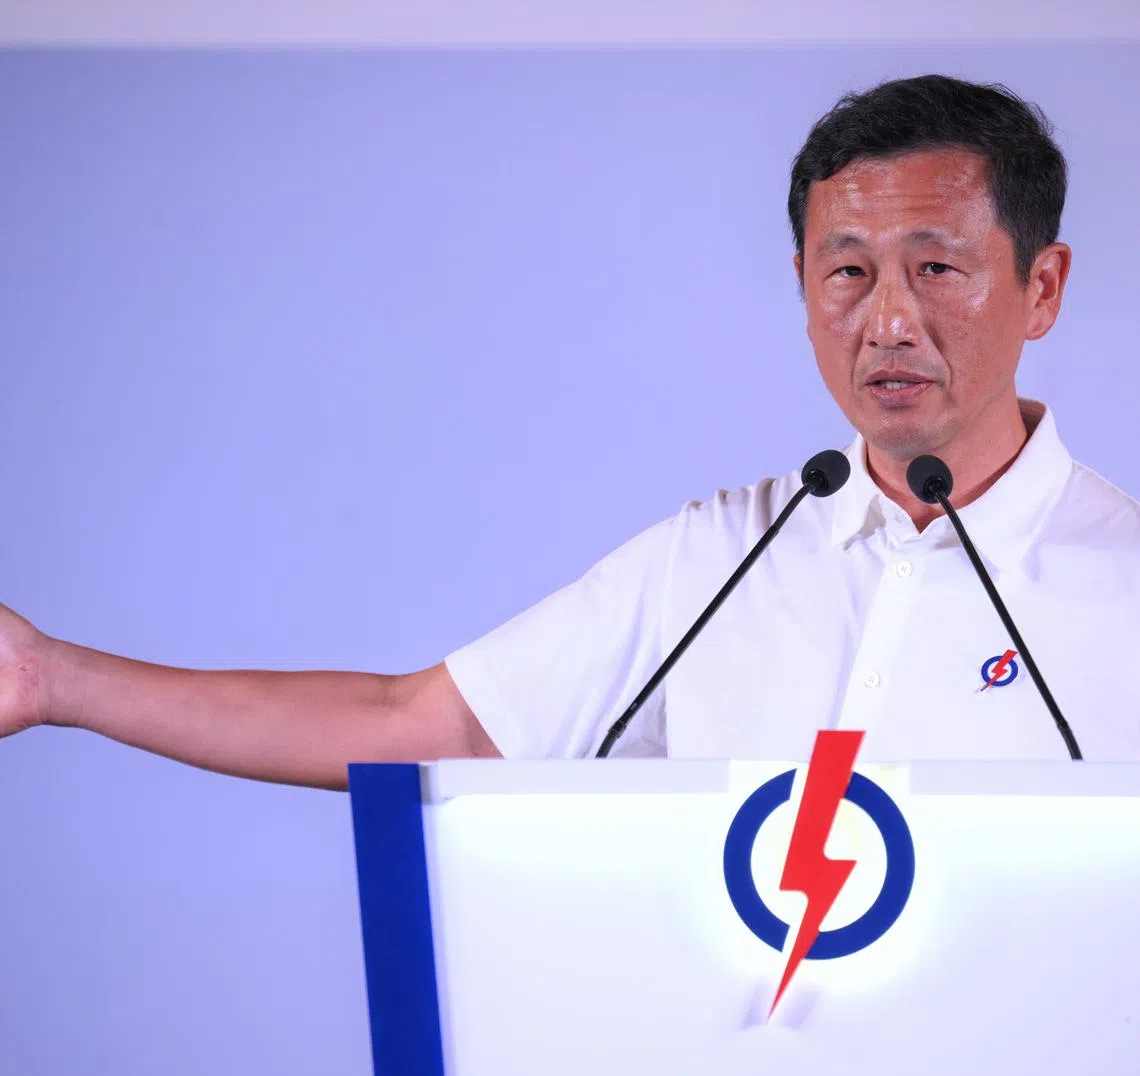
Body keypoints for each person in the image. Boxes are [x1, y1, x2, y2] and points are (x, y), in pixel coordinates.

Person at [2, 74, 1138, 786]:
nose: (888, 319)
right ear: (801, 287)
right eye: (847, 272)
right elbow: (419, 726)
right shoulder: (718, 558)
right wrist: (52, 678)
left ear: (1042, 288)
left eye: (937, 267)